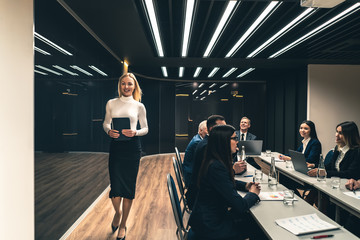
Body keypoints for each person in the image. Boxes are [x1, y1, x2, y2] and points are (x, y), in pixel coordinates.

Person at [189, 125, 261, 240]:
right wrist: (253, 194)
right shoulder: (217, 166)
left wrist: (246, 186)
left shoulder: (213, 161)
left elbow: (224, 181)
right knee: (258, 229)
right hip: (211, 226)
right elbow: (240, 205)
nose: (237, 142)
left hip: (207, 219)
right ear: (224, 142)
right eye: (234, 138)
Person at [103, 73, 148, 240]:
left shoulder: (139, 106)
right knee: (115, 187)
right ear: (119, 85)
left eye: (130, 84)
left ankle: (123, 225)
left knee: (128, 188)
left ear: (134, 86)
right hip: (116, 147)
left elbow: (145, 128)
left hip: (132, 148)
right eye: (123, 84)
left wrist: (135, 131)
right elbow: (106, 122)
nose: (126, 87)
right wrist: (109, 130)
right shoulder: (111, 103)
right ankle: (118, 212)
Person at [186, 115, 246, 209]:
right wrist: (233, 170)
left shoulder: (209, 143)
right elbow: (217, 175)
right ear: (213, 129)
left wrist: (245, 185)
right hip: (201, 202)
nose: (225, 130)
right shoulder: (206, 146)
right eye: (222, 127)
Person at [182, 120, 208, 187]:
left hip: (191, 172)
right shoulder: (198, 142)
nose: (209, 132)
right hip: (191, 178)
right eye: (207, 130)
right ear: (200, 130)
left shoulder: (198, 138)